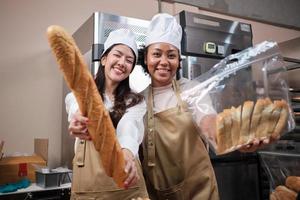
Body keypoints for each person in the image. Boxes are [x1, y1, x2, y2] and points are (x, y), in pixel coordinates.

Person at [140, 13, 274, 200]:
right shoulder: (137, 101)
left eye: (171, 55)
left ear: (179, 61)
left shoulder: (191, 90)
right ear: (145, 59)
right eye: (156, 54)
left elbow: (208, 120)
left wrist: (235, 138)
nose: (163, 62)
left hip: (199, 191)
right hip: (157, 194)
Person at [66, 28, 149, 199]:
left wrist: (126, 153)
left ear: (131, 68)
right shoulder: (79, 93)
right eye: (117, 55)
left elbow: (129, 127)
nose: (122, 62)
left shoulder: (136, 101)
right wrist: (79, 119)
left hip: (128, 187)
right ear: (104, 59)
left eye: (129, 60)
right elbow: (78, 107)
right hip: (88, 189)